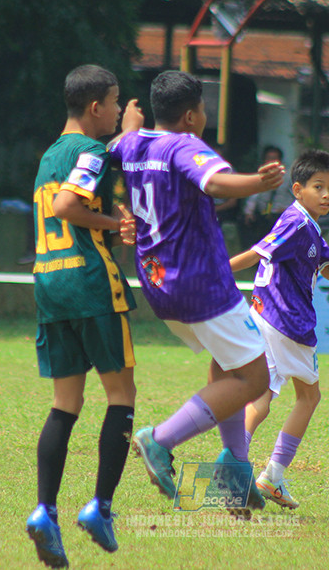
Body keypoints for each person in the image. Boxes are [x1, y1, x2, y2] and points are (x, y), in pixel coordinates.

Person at [109, 70, 285, 517]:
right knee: (255, 380)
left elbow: (117, 146)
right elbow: (214, 182)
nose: (205, 117)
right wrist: (257, 183)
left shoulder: (134, 143)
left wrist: (129, 125)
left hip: (158, 282)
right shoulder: (184, 144)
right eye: (204, 109)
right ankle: (159, 440)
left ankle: (234, 472)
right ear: (190, 116)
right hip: (200, 282)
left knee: (229, 367)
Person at [24, 65, 143, 568]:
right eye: (116, 103)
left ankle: (44, 511)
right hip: (92, 286)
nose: (119, 112)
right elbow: (69, 207)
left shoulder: (50, 155)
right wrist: (115, 222)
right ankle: (101, 506)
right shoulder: (91, 151)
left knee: (65, 404)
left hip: (50, 283)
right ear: (96, 107)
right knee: (122, 395)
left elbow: (63, 201)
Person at [229, 149, 329, 509]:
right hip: (288, 323)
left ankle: (233, 465)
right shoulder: (298, 224)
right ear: (298, 189)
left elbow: (328, 270)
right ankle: (272, 477)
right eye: (319, 187)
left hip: (264, 316)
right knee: (309, 397)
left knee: (262, 397)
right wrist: (221, 271)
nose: (327, 194)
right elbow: (258, 252)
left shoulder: (308, 226)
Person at [240, 145, 287, 247]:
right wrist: (249, 212)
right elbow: (253, 196)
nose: (271, 162)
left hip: (281, 214)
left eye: (274, 159)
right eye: (268, 159)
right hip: (263, 215)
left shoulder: (288, 178)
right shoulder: (260, 177)